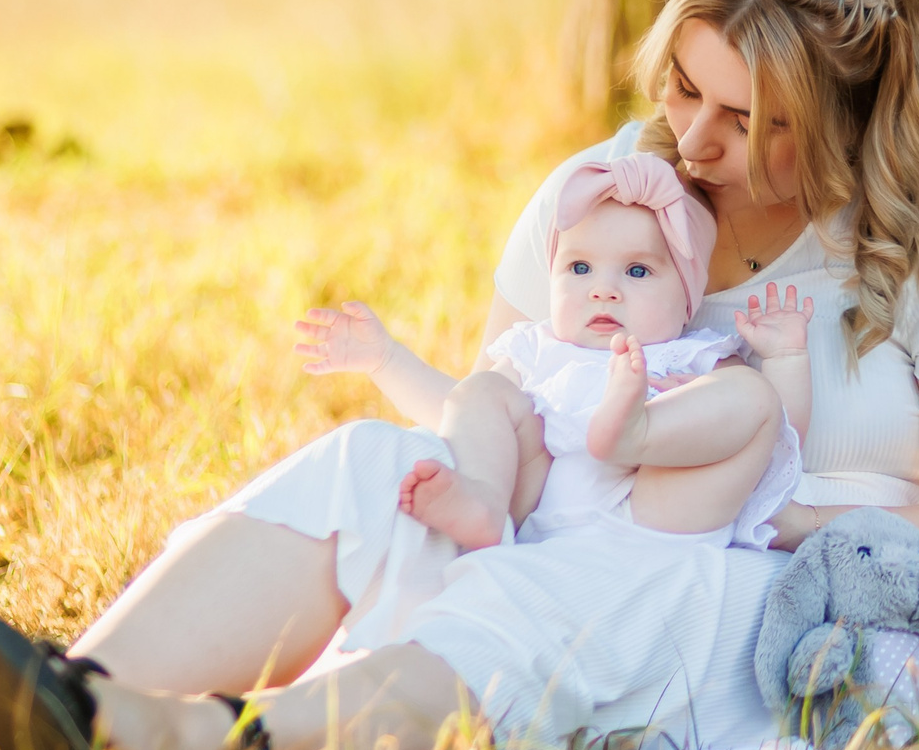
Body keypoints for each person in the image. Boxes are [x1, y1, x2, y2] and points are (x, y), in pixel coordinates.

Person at [0, 0, 919, 750]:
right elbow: (513, 406)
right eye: (688, 88)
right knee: (371, 465)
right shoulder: (607, 196)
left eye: (751, 122)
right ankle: (40, 711)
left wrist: (781, 522)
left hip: (739, 581)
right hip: (557, 514)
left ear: (848, 116)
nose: (695, 140)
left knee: (540, 605)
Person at [294, 156, 816, 552]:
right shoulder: (537, 350)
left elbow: (773, 436)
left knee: (747, 395)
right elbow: (452, 411)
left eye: (636, 272)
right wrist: (386, 360)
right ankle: (482, 500)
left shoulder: (690, 355)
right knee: (481, 394)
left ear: (686, 299)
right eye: (580, 269)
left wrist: (786, 358)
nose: (603, 290)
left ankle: (636, 431)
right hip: (537, 510)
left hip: (648, 511)